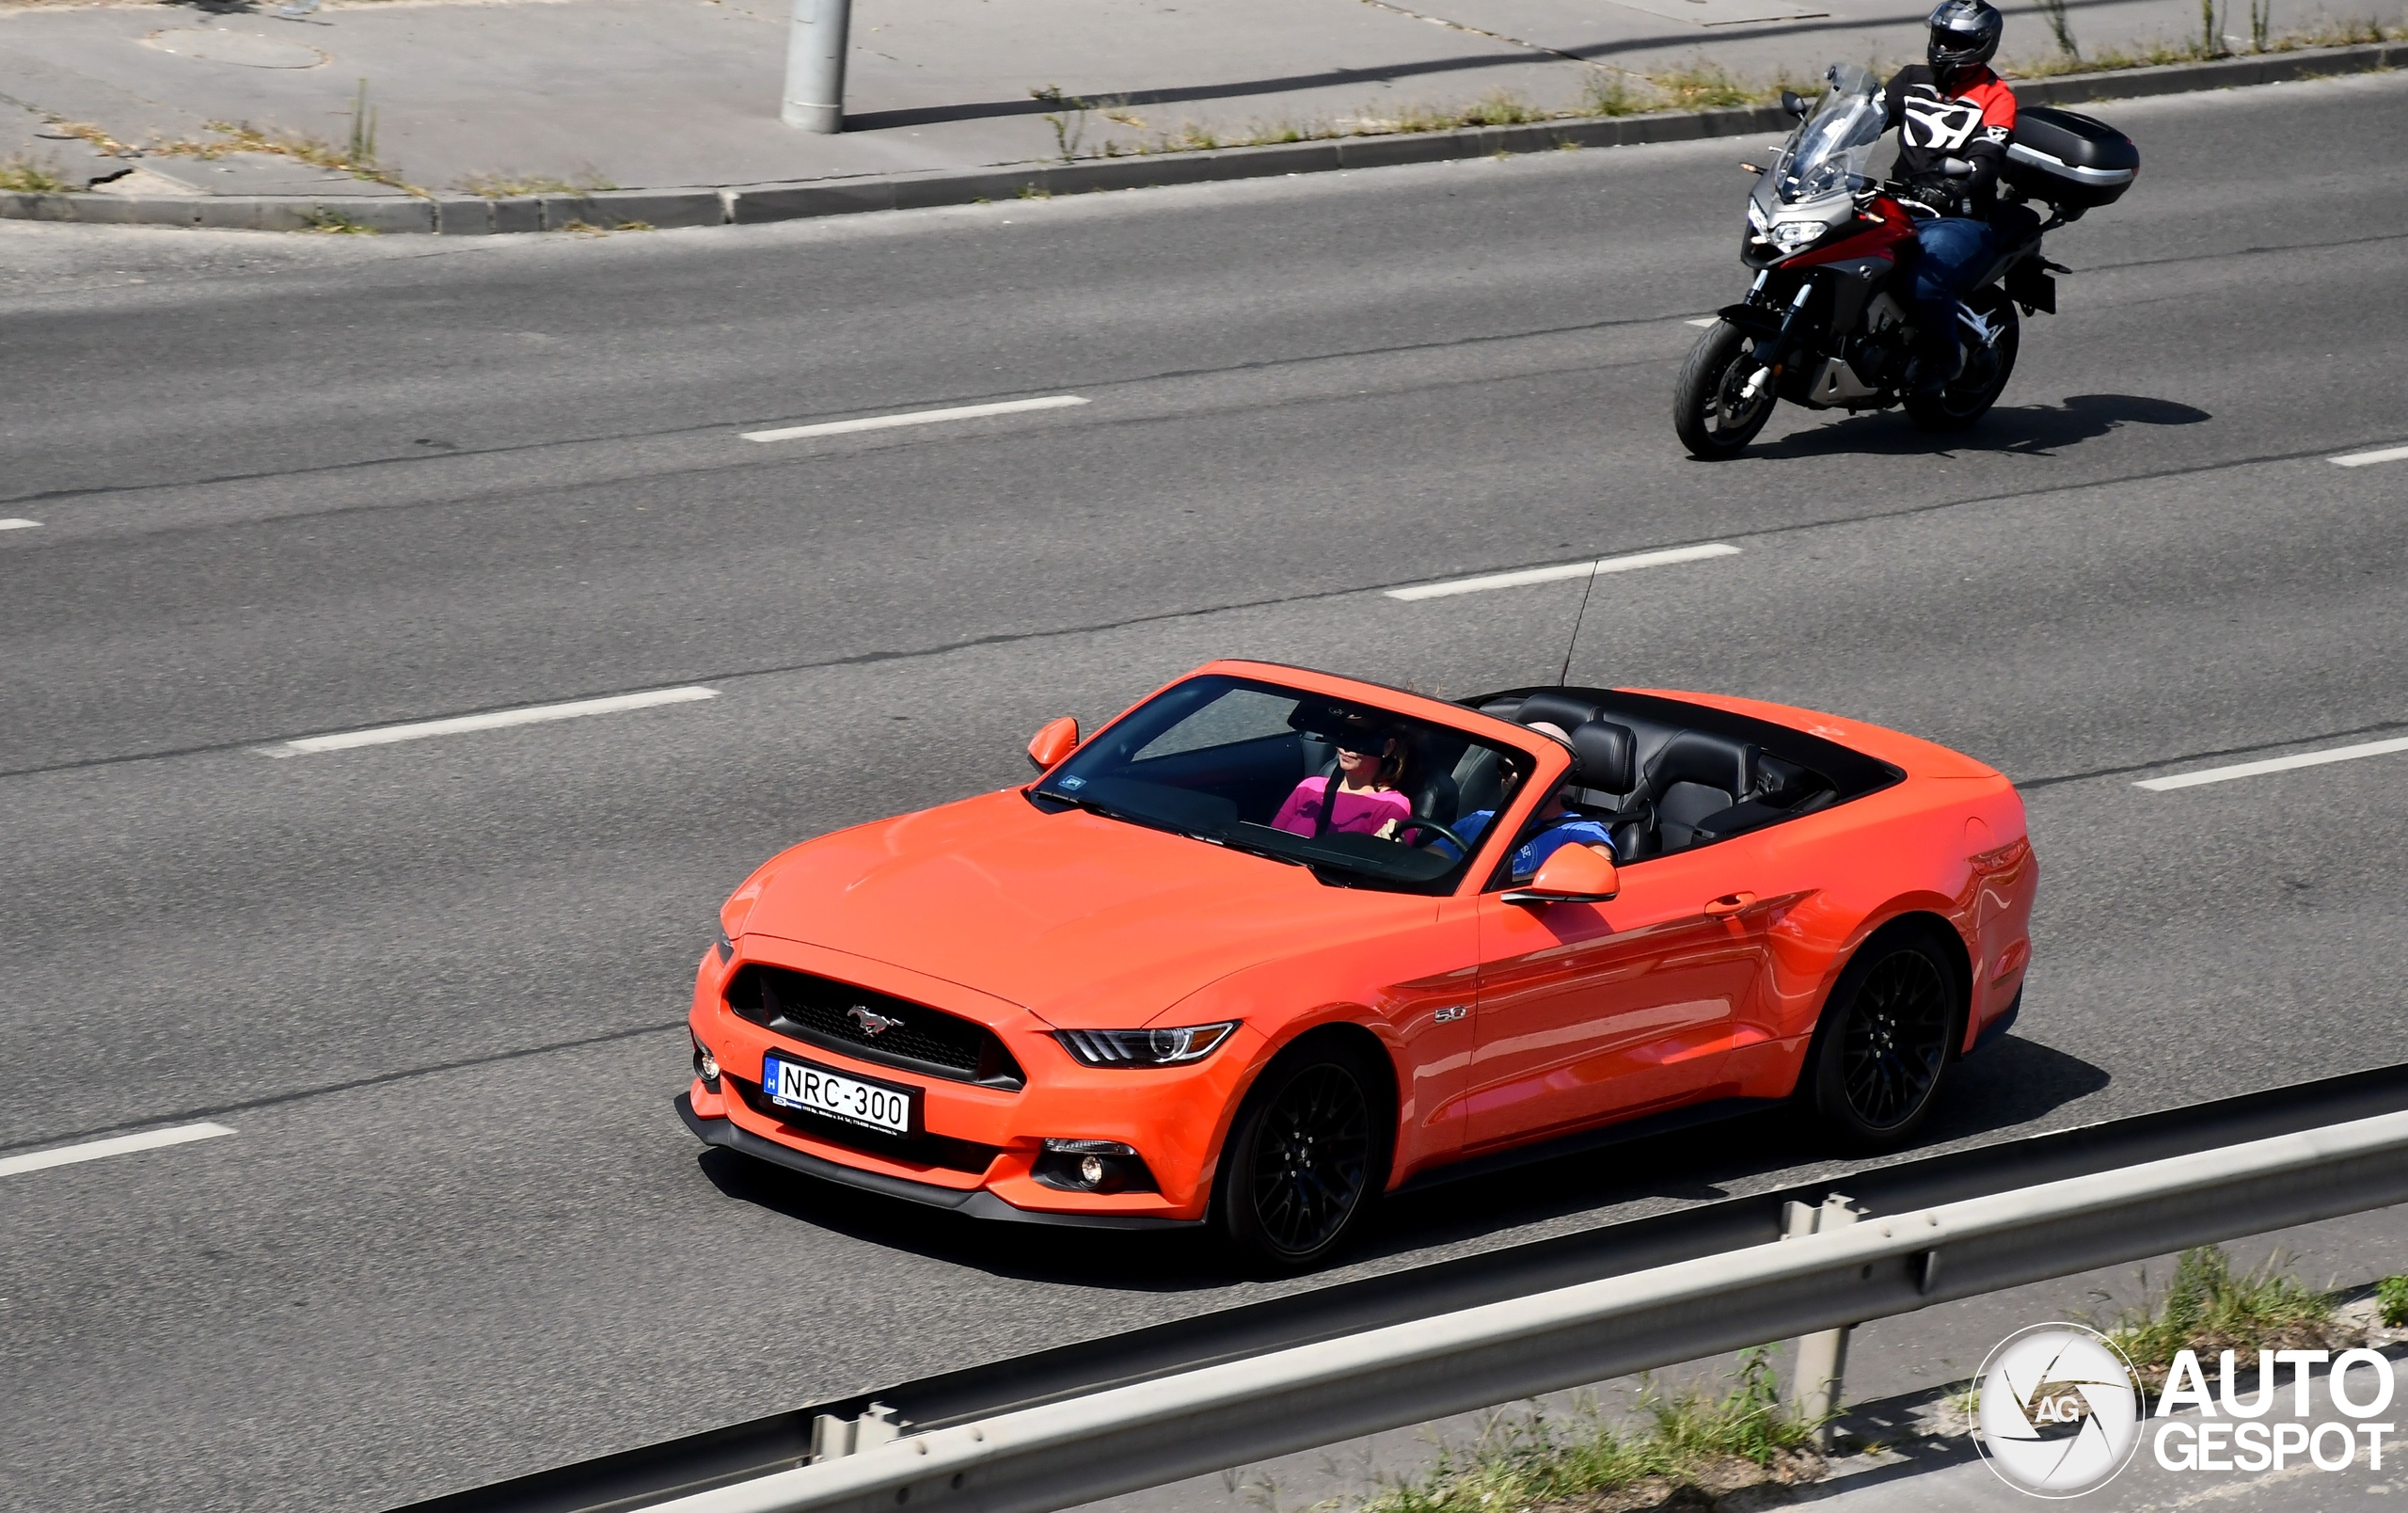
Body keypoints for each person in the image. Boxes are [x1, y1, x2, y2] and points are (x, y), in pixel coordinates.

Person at [1882, 0, 2016, 395]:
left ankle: (1945, 358)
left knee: (1923, 283)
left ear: (1981, 45)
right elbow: (1866, 117)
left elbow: (1988, 157)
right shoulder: (1911, 79)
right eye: (1940, 36)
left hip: (1960, 217)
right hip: (1900, 202)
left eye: (1955, 40)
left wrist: (1955, 185)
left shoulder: (1997, 97)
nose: (1942, 47)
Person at [1441, 724, 1616, 878]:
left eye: (1528, 771)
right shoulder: (1477, 820)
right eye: (1506, 768)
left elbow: (1598, 863)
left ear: (1561, 784)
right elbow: (1425, 862)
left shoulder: (1577, 830)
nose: (1513, 777)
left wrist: (1506, 885)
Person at [1269, 721, 1414, 839]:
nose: (1346, 747)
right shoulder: (1309, 787)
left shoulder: (1392, 805)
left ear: (1387, 747)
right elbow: (1271, 841)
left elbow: (1374, 868)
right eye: (1343, 734)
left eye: (1359, 739)